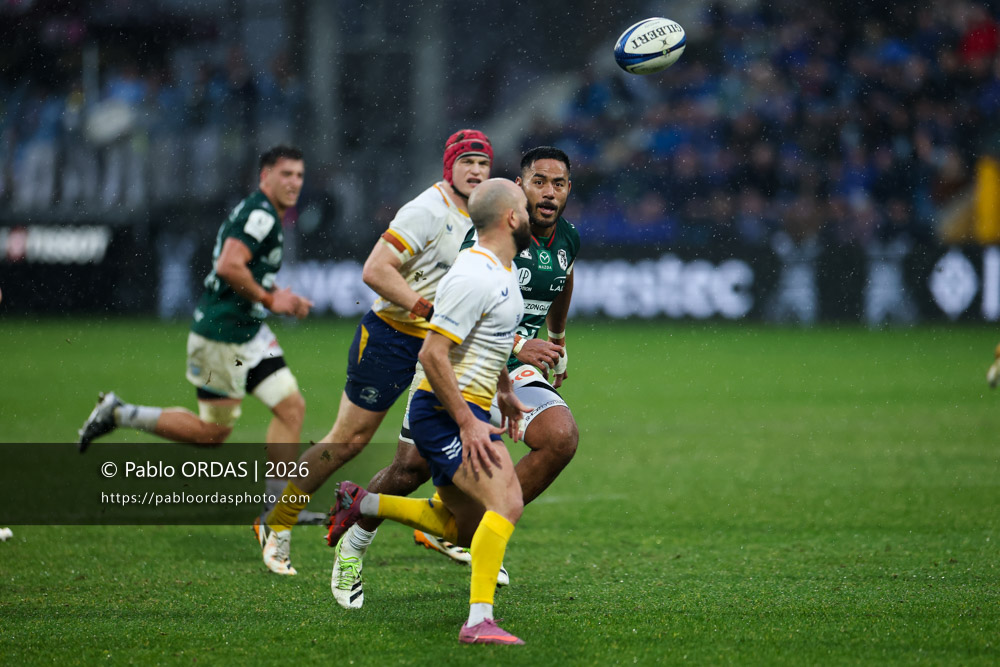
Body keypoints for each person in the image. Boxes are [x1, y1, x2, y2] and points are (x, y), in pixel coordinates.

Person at [330, 146, 580, 608]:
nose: (549, 192)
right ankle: (354, 543)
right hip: (460, 365)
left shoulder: (566, 240)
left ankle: (484, 537)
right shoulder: (486, 243)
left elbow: (563, 279)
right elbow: (453, 322)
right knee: (410, 471)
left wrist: (556, 338)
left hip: (509, 372)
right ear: (519, 189)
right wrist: (519, 345)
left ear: (569, 190)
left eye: (559, 184)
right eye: (539, 182)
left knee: (560, 437)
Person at [257, 130, 493, 573]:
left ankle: (440, 525)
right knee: (348, 440)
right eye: (467, 162)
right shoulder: (427, 210)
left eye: (483, 163)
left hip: (441, 345)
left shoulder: (485, 213)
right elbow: (375, 270)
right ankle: (278, 519)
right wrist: (426, 309)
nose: (476, 171)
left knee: (455, 436)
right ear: (450, 166)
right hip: (392, 337)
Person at [77, 146, 319, 564]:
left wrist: (271, 297)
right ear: (265, 176)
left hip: (247, 332)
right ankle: (119, 413)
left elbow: (239, 268)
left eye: (299, 175)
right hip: (221, 339)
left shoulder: (262, 212)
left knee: (291, 406)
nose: (294, 182)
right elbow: (228, 265)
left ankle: (275, 511)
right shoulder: (261, 216)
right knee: (212, 434)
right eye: (286, 174)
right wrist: (270, 298)